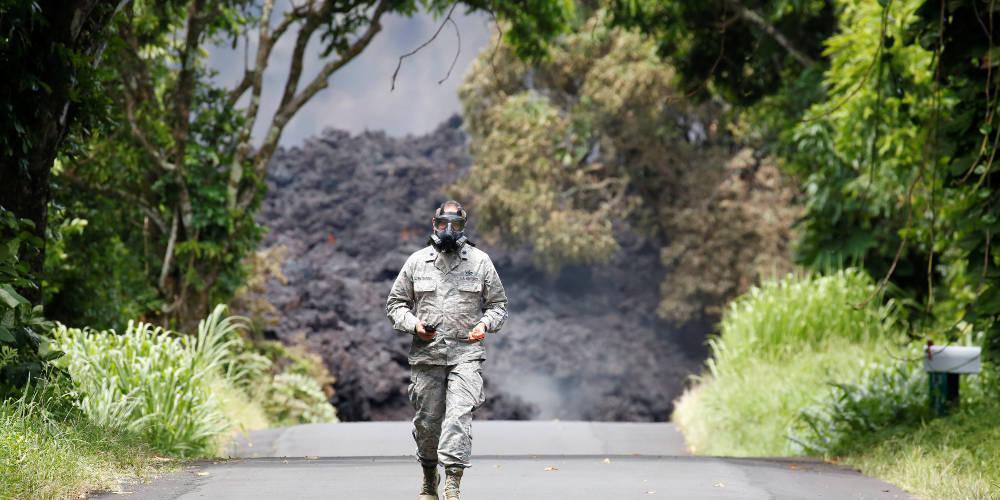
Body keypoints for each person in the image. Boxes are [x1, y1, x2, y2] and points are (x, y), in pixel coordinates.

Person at [386, 200, 509, 500]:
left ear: (464, 227)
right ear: (434, 224)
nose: (449, 230)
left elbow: (499, 306)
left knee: (458, 418)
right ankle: (430, 476)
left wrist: (484, 325)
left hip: (465, 355)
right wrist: (414, 325)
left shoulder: (480, 262)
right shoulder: (417, 262)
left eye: (456, 225)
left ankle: (453, 484)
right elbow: (395, 305)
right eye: (443, 225)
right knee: (428, 423)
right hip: (427, 357)